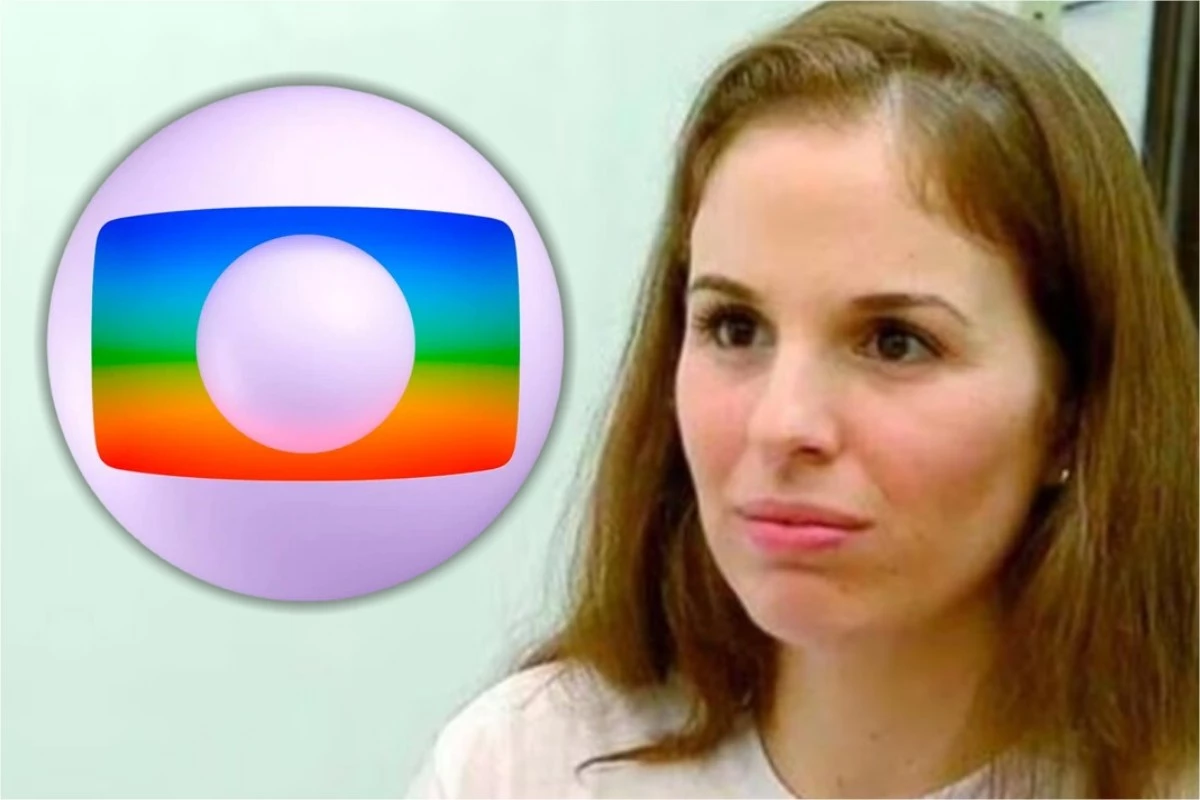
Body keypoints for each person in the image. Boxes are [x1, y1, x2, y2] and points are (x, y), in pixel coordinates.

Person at [407, 1, 1199, 797]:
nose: (782, 424)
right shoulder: (524, 767)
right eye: (735, 327)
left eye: (895, 341)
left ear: (1072, 415)